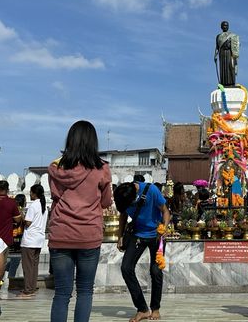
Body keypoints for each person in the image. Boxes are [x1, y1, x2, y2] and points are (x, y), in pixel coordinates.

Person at [48, 120, 113, 322]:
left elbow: (56, 196)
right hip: (88, 235)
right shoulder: (101, 169)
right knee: (85, 291)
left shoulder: (56, 168)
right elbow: (106, 201)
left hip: (60, 234)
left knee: (61, 293)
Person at [114, 180, 171, 322]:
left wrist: (164, 228)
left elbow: (165, 211)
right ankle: (142, 309)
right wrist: (120, 236)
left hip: (156, 235)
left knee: (155, 271)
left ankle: (155, 308)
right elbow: (123, 216)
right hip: (138, 235)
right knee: (126, 268)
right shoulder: (124, 196)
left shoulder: (151, 191)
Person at [17, 184, 48, 299]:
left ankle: (28, 290)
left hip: (30, 239)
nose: (29, 194)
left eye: (31, 192)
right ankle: (32, 287)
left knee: (28, 266)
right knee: (34, 266)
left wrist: (21, 216)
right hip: (39, 239)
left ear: (35, 193)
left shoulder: (34, 205)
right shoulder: (43, 205)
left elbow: (28, 222)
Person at [214, 20, 240, 87]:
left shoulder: (232, 35)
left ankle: (232, 83)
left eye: (226, 25)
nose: (225, 27)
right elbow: (217, 47)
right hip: (221, 54)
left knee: (231, 66)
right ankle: (223, 83)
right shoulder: (218, 36)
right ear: (221, 27)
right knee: (223, 68)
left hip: (230, 53)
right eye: (224, 25)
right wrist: (215, 55)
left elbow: (236, 44)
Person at [7, 194, 27, 280]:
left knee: (14, 259)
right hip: (17, 236)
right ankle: (11, 279)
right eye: (25, 200)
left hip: (14, 235)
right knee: (16, 259)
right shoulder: (19, 210)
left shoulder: (13, 209)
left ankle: (3, 268)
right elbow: (24, 221)